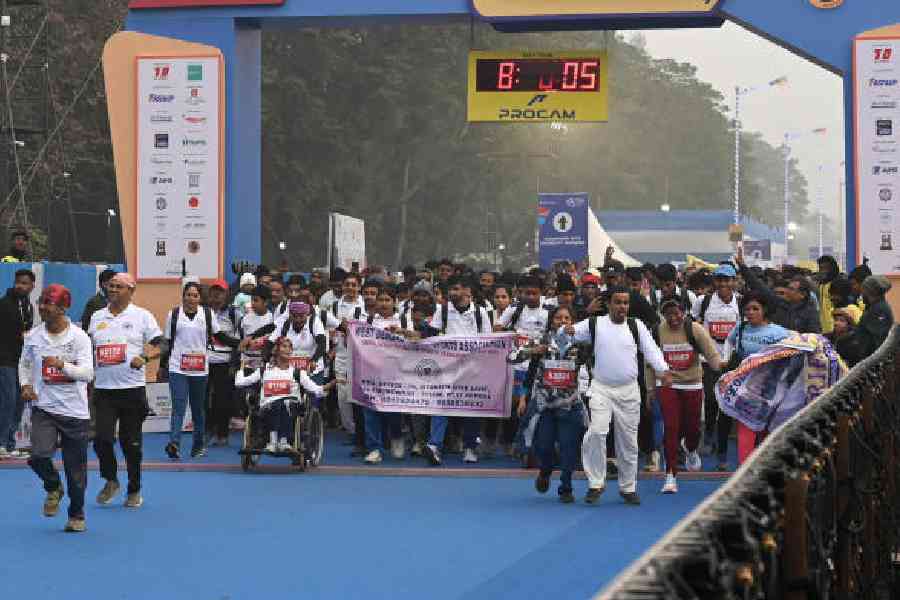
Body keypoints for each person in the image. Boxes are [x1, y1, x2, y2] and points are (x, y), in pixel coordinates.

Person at [563, 287, 672, 505]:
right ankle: (596, 483)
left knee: (629, 442)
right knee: (595, 433)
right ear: (609, 304)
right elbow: (565, 334)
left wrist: (663, 371)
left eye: (625, 302)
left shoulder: (636, 325)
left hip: (629, 391)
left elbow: (652, 350)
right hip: (601, 388)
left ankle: (628, 487)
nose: (622, 306)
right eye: (618, 302)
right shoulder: (594, 324)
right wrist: (565, 330)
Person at [20, 285, 93, 532]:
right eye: (41, 302)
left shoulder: (79, 337)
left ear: (62, 307)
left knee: (76, 472)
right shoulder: (34, 336)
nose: (42, 307)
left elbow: (88, 373)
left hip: (75, 413)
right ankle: (53, 486)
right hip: (45, 408)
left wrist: (63, 365)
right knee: (39, 456)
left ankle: (77, 515)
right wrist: (26, 384)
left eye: (48, 303)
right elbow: (24, 363)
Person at [88, 273, 164, 508]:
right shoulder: (96, 316)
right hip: (103, 389)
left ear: (131, 291)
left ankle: (134, 489)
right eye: (110, 286)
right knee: (101, 440)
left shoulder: (142, 316)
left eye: (118, 287)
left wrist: (144, 356)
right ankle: (111, 480)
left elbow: (163, 344)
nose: (112, 290)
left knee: (131, 443)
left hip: (132, 389)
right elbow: (86, 347)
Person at [651, 299, 722, 493]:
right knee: (671, 428)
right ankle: (670, 476)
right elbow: (651, 362)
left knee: (693, 429)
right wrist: (650, 389)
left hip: (693, 384)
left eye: (677, 313)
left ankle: (690, 448)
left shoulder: (695, 329)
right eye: (668, 315)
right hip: (667, 384)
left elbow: (711, 354)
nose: (673, 318)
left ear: (684, 312)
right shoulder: (658, 331)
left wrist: (723, 370)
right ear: (663, 315)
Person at [427, 275, 492, 465]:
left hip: (473, 368)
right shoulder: (443, 310)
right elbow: (432, 335)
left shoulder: (481, 313)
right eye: (450, 290)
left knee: (471, 407)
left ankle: (470, 447)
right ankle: (434, 445)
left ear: (467, 291)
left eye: (455, 289)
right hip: (446, 367)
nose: (451, 293)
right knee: (440, 405)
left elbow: (489, 343)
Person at [721, 291, 792, 465]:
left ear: (765, 310)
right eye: (747, 309)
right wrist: (725, 360)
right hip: (745, 388)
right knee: (745, 427)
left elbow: (792, 353)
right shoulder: (741, 327)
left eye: (755, 309)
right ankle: (744, 470)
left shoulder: (780, 333)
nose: (750, 312)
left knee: (767, 429)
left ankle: (765, 467)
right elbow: (729, 342)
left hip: (770, 389)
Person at [528, 305, 586, 504]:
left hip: (570, 405)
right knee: (543, 446)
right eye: (558, 318)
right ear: (551, 322)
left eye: (567, 318)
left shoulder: (582, 344)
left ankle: (566, 487)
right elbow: (513, 358)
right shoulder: (542, 341)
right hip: (546, 406)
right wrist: (532, 351)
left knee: (569, 448)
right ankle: (545, 471)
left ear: (573, 322)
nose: (562, 321)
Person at [235, 336, 335, 452]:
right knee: (275, 405)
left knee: (283, 404)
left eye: (289, 347)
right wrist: (241, 367)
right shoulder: (265, 370)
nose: (287, 350)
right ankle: (273, 442)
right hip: (268, 407)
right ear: (276, 350)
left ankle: (283, 441)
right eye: (284, 346)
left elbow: (315, 389)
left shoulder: (297, 372)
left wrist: (332, 383)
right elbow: (240, 383)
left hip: (291, 407)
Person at [163, 282, 222, 460]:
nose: (191, 298)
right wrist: (161, 367)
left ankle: (197, 446)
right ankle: (174, 443)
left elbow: (219, 335)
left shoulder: (208, 314)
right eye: (188, 294)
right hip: (177, 368)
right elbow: (167, 343)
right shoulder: (173, 314)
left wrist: (238, 344)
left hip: (200, 369)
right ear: (183, 296)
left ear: (200, 298)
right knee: (178, 407)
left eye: (195, 295)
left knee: (198, 410)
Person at [691, 263, 740, 467]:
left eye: (727, 280)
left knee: (727, 406)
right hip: (708, 359)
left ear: (734, 281)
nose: (723, 284)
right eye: (719, 280)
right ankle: (709, 431)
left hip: (733, 360)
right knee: (711, 400)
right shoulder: (704, 301)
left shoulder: (742, 303)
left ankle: (722, 453)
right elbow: (691, 324)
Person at [494, 276, 548, 459]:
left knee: (535, 407)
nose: (530, 297)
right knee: (516, 405)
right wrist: (511, 334)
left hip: (540, 367)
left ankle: (529, 445)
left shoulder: (548, 311)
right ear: (521, 293)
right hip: (517, 365)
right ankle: (511, 442)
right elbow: (497, 328)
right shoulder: (514, 309)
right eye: (526, 293)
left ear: (542, 293)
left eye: (534, 293)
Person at [362, 285, 415, 463]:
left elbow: (417, 341)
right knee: (370, 411)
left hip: (397, 372)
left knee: (394, 411)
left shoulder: (404, 320)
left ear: (394, 302)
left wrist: (402, 333)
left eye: (387, 300)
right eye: (381, 300)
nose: (384, 303)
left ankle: (397, 439)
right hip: (372, 372)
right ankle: (373, 448)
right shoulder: (368, 320)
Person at [323, 271, 366, 451]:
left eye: (353, 284)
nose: (350, 287)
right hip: (340, 354)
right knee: (342, 396)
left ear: (358, 287)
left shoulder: (364, 306)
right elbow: (326, 329)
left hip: (361, 356)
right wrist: (331, 341)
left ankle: (362, 434)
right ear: (342, 286)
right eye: (347, 284)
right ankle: (352, 431)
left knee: (359, 396)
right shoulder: (333, 306)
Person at [0, 268, 35, 458]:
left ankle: (10, 444)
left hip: (22, 363)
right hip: (4, 360)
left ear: (32, 286)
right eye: (18, 282)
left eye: (25, 283)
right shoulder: (4, 304)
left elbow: (27, 332)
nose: (20, 286)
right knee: (7, 401)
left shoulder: (29, 306)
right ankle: (1, 443)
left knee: (19, 402)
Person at [206, 279, 242, 447]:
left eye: (220, 293)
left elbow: (239, 340)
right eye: (213, 293)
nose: (216, 296)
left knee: (223, 399)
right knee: (203, 399)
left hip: (225, 363)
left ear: (227, 295)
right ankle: (206, 432)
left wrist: (235, 363)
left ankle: (222, 434)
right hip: (203, 363)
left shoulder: (235, 314)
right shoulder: (202, 313)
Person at [843, 276, 894, 361]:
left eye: (864, 290)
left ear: (870, 292)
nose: (862, 294)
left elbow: (878, 339)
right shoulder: (873, 308)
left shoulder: (879, 310)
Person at [816, 255, 841, 335]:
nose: (822, 271)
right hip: (823, 327)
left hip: (834, 326)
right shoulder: (821, 284)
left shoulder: (837, 283)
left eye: (825, 268)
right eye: (821, 268)